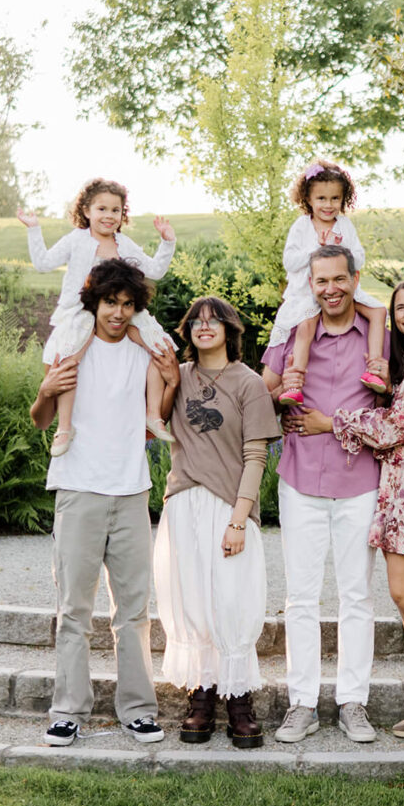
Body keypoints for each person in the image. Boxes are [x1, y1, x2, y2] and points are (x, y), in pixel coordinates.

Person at [290, 280, 404, 740]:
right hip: (397, 482)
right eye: (400, 308)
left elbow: (398, 424)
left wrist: (330, 422)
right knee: (402, 594)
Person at [28, 257, 179, 748]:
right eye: (110, 302)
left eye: (127, 304)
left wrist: (172, 380)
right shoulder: (73, 348)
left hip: (132, 491)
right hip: (78, 489)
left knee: (133, 611)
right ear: (94, 302)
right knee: (74, 608)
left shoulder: (142, 352)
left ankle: (137, 709)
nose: (118, 312)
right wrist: (45, 391)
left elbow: (162, 412)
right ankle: (67, 710)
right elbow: (39, 420)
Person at [261, 243, 389, 743]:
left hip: (360, 480)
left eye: (339, 279)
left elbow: (394, 402)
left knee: (356, 594)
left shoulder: (379, 338)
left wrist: (330, 423)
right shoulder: (295, 333)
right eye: (321, 282)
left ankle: (354, 702)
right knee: (301, 597)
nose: (331, 289)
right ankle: (302, 704)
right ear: (309, 285)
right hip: (300, 480)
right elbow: (261, 390)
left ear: (355, 279)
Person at [151, 296, 281, 749]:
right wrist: (168, 381)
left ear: (230, 329)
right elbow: (155, 423)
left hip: (229, 508)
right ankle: (201, 696)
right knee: (191, 599)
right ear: (187, 331)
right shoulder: (179, 377)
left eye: (214, 320)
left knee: (232, 597)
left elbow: (256, 454)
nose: (205, 327)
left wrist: (239, 519)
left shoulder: (248, 383)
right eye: (197, 321)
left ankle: (239, 704)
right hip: (184, 502)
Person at [20, 177, 176, 456]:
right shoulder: (77, 240)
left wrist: (167, 242)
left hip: (119, 310)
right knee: (68, 357)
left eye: (115, 210)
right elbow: (43, 263)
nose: (109, 216)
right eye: (101, 209)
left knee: (158, 343)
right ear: (87, 211)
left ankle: (153, 414)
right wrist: (34, 230)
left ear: (122, 215)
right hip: (81, 309)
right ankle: (64, 427)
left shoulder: (124, 244)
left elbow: (154, 270)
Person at [266, 161, 387, 405]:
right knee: (306, 326)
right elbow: (289, 261)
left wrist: (339, 249)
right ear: (308, 199)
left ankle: (373, 369)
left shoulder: (345, 225)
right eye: (321, 198)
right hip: (307, 291)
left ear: (343, 199)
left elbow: (359, 257)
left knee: (379, 311)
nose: (328, 205)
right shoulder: (302, 226)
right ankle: (295, 383)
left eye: (335, 198)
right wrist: (317, 249)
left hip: (342, 290)